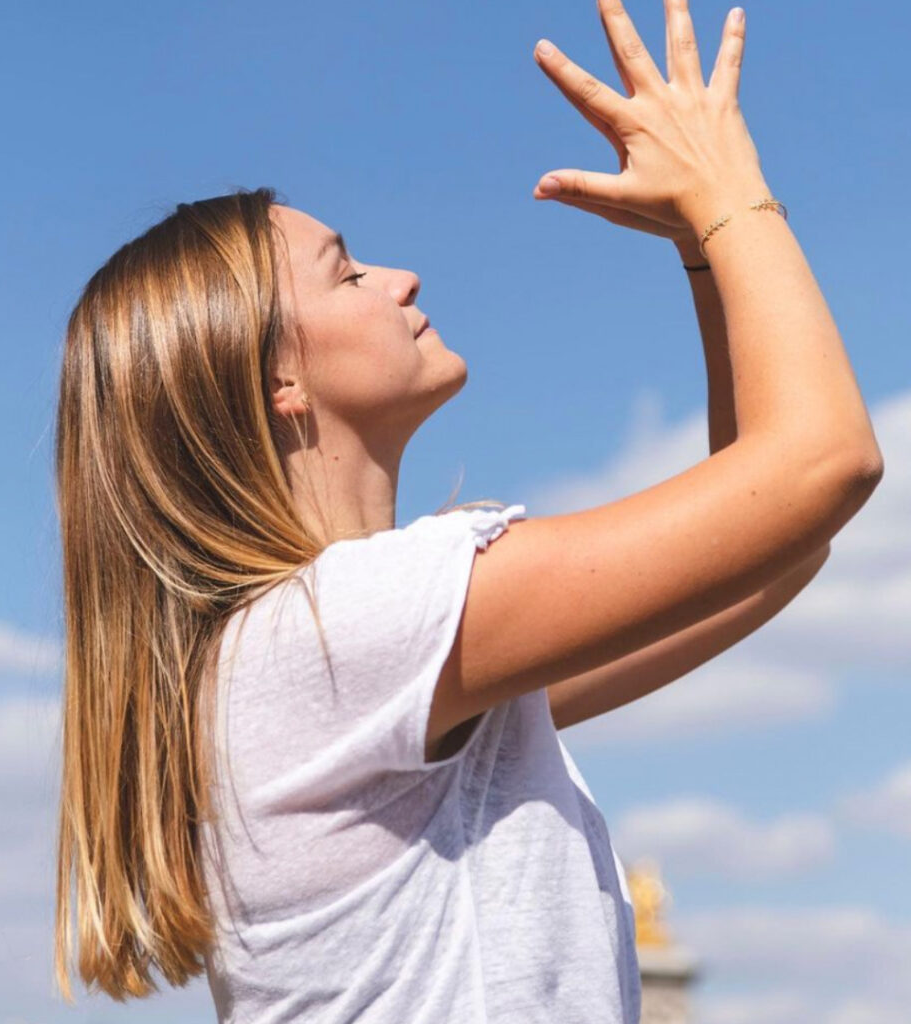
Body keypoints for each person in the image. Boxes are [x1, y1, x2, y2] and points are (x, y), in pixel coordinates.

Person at [52, 0, 884, 1020]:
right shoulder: (349, 632)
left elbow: (769, 549)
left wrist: (707, 255)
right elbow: (822, 464)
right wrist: (726, 192)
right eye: (347, 273)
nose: (400, 275)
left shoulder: (328, 659)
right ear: (277, 381)